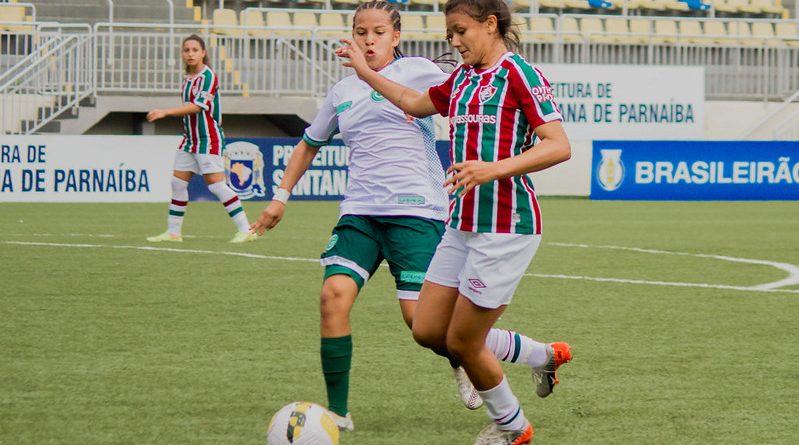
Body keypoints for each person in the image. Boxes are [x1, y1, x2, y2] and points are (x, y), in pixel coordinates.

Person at [252, 0, 570, 436]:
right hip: (459, 223)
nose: (454, 42)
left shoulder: (518, 75)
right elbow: (414, 103)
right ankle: (541, 355)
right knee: (426, 328)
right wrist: (364, 73)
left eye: (460, 31)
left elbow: (558, 145)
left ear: (490, 24)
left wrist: (490, 168)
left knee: (461, 340)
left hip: (504, 224)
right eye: (449, 35)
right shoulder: (461, 78)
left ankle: (512, 427)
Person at [146, 34, 256, 244]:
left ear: (203, 53)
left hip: (208, 139)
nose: (190, 54)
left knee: (216, 186)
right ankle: (173, 233)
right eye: (186, 50)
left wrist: (165, 112)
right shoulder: (187, 78)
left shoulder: (208, 76)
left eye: (195, 50)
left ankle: (246, 230)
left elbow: (198, 106)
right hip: (190, 139)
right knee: (177, 183)